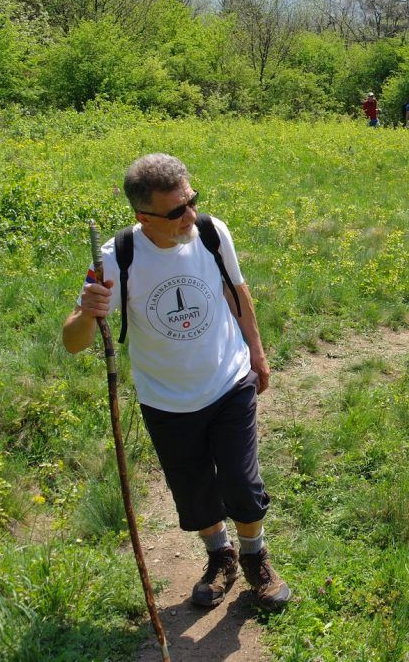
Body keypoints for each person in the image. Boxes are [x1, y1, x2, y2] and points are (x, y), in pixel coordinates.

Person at [62, 153, 291, 612]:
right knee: (192, 491)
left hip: (229, 380)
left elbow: (236, 291)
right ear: (142, 216)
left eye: (192, 201)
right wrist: (89, 310)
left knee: (242, 485)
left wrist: (258, 354)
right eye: (176, 210)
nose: (190, 215)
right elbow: (72, 342)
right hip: (164, 398)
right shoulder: (116, 258)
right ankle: (219, 556)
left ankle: (254, 557)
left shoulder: (210, 232)